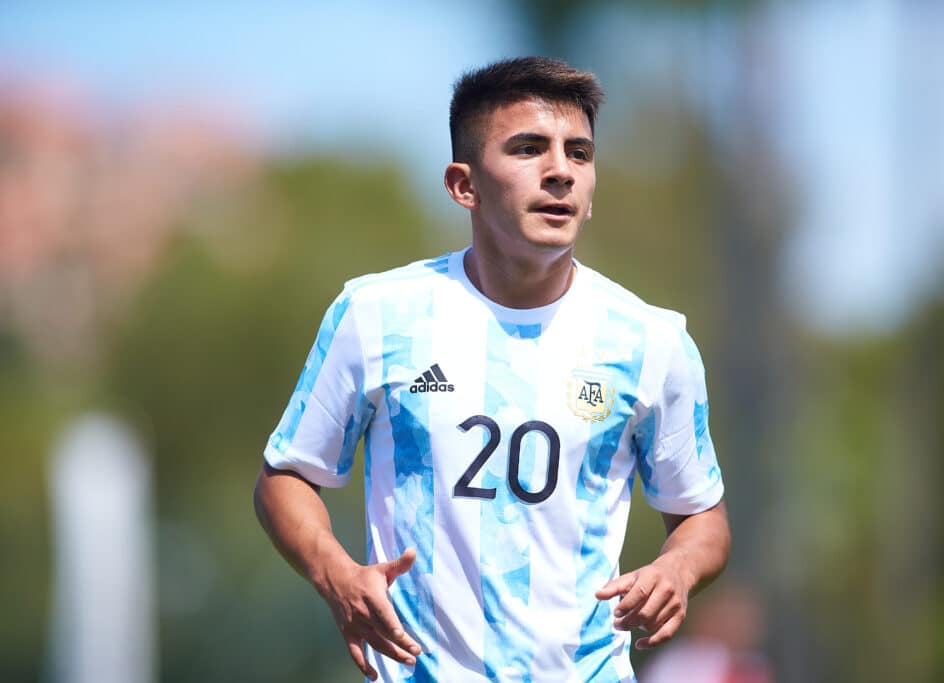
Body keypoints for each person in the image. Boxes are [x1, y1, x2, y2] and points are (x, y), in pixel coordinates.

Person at [254, 56, 730, 683]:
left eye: (579, 153)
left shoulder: (652, 340)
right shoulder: (375, 315)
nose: (560, 171)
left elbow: (701, 515)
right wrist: (335, 573)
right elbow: (286, 475)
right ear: (464, 184)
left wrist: (678, 569)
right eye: (529, 148)